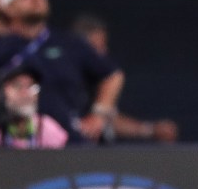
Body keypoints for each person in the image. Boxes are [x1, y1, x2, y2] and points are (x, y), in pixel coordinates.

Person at [0, 0, 125, 144]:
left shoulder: (70, 43)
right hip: (15, 149)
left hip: (71, 144)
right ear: (8, 8)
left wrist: (98, 114)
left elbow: (112, 75)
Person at [72, 14, 179, 143]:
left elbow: (110, 120)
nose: (103, 52)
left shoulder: (97, 84)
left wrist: (151, 130)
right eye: (97, 47)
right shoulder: (65, 80)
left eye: (104, 46)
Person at [0, 65, 68, 149]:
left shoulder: (47, 127)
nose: (26, 93)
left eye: (31, 86)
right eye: (18, 86)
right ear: (2, 92)